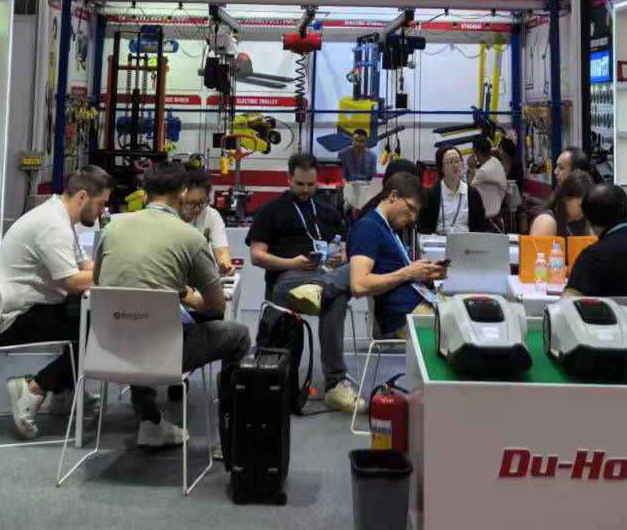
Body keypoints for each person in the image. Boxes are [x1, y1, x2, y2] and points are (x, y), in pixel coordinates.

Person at [93, 161, 250, 447]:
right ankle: (231, 431)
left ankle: (150, 420)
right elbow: (216, 307)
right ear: (182, 193)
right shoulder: (190, 237)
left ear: (144, 192)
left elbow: (98, 281)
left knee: (137, 321)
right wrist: (186, 295)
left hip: (109, 349)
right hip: (163, 354)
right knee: (239, 335)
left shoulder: (112, 227)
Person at [0, 166, 113, 440]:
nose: (101, 213)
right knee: (102, 328)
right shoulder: (53, 226)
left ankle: (64, 393)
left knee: (86, 313)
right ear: (82, 197)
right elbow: (72, 281)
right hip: (16, 320)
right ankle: (34, 389)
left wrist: (120, 266)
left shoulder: (58, 215)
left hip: (26, 309)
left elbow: (85, 265)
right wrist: (117, 275)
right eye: (101, 204)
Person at [244, 154, 363, 412]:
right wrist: (292, 263)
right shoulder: (270, 210)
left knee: (354, 269)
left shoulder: (329, 212)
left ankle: (335, 386)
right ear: (288, 179)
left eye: (311, 184)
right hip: (287, 280)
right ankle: (336, 382)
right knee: (337, 296)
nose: (306, 190)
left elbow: (346, 248)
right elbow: (256, 256)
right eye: (300, 184)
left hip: (323, 274)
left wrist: (341, 257)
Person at [349, 173, 448, 339]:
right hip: (406, 314)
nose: (413, 218)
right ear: (393, 196)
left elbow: (394, 272)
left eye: (416, 212)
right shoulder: (368, 228)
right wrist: (408, 272)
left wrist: (424, 275)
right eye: (411, 209)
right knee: (464, 325)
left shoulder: (388, 229)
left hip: (416, 305)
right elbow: (358, 285)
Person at [420, 147, 488, 235]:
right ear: (441, 168)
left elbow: (480, 227)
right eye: (450, 162)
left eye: (458, 161)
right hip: (438, 240)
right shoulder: (431, 194)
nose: (455, 165)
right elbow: (423, 228)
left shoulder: (473, 194)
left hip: (466, 240)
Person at [179, 169, 233, 276]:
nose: (197, 208)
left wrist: (226, 266)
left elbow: (221, 249)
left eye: (202, 201)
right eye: (190, 203)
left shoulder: (211, 215)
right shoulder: (169, 216)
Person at [528, 170, 595, 239]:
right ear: (565, 197)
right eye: (580, 206)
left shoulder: (578, 222)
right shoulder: (546, 222)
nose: (584, 212)